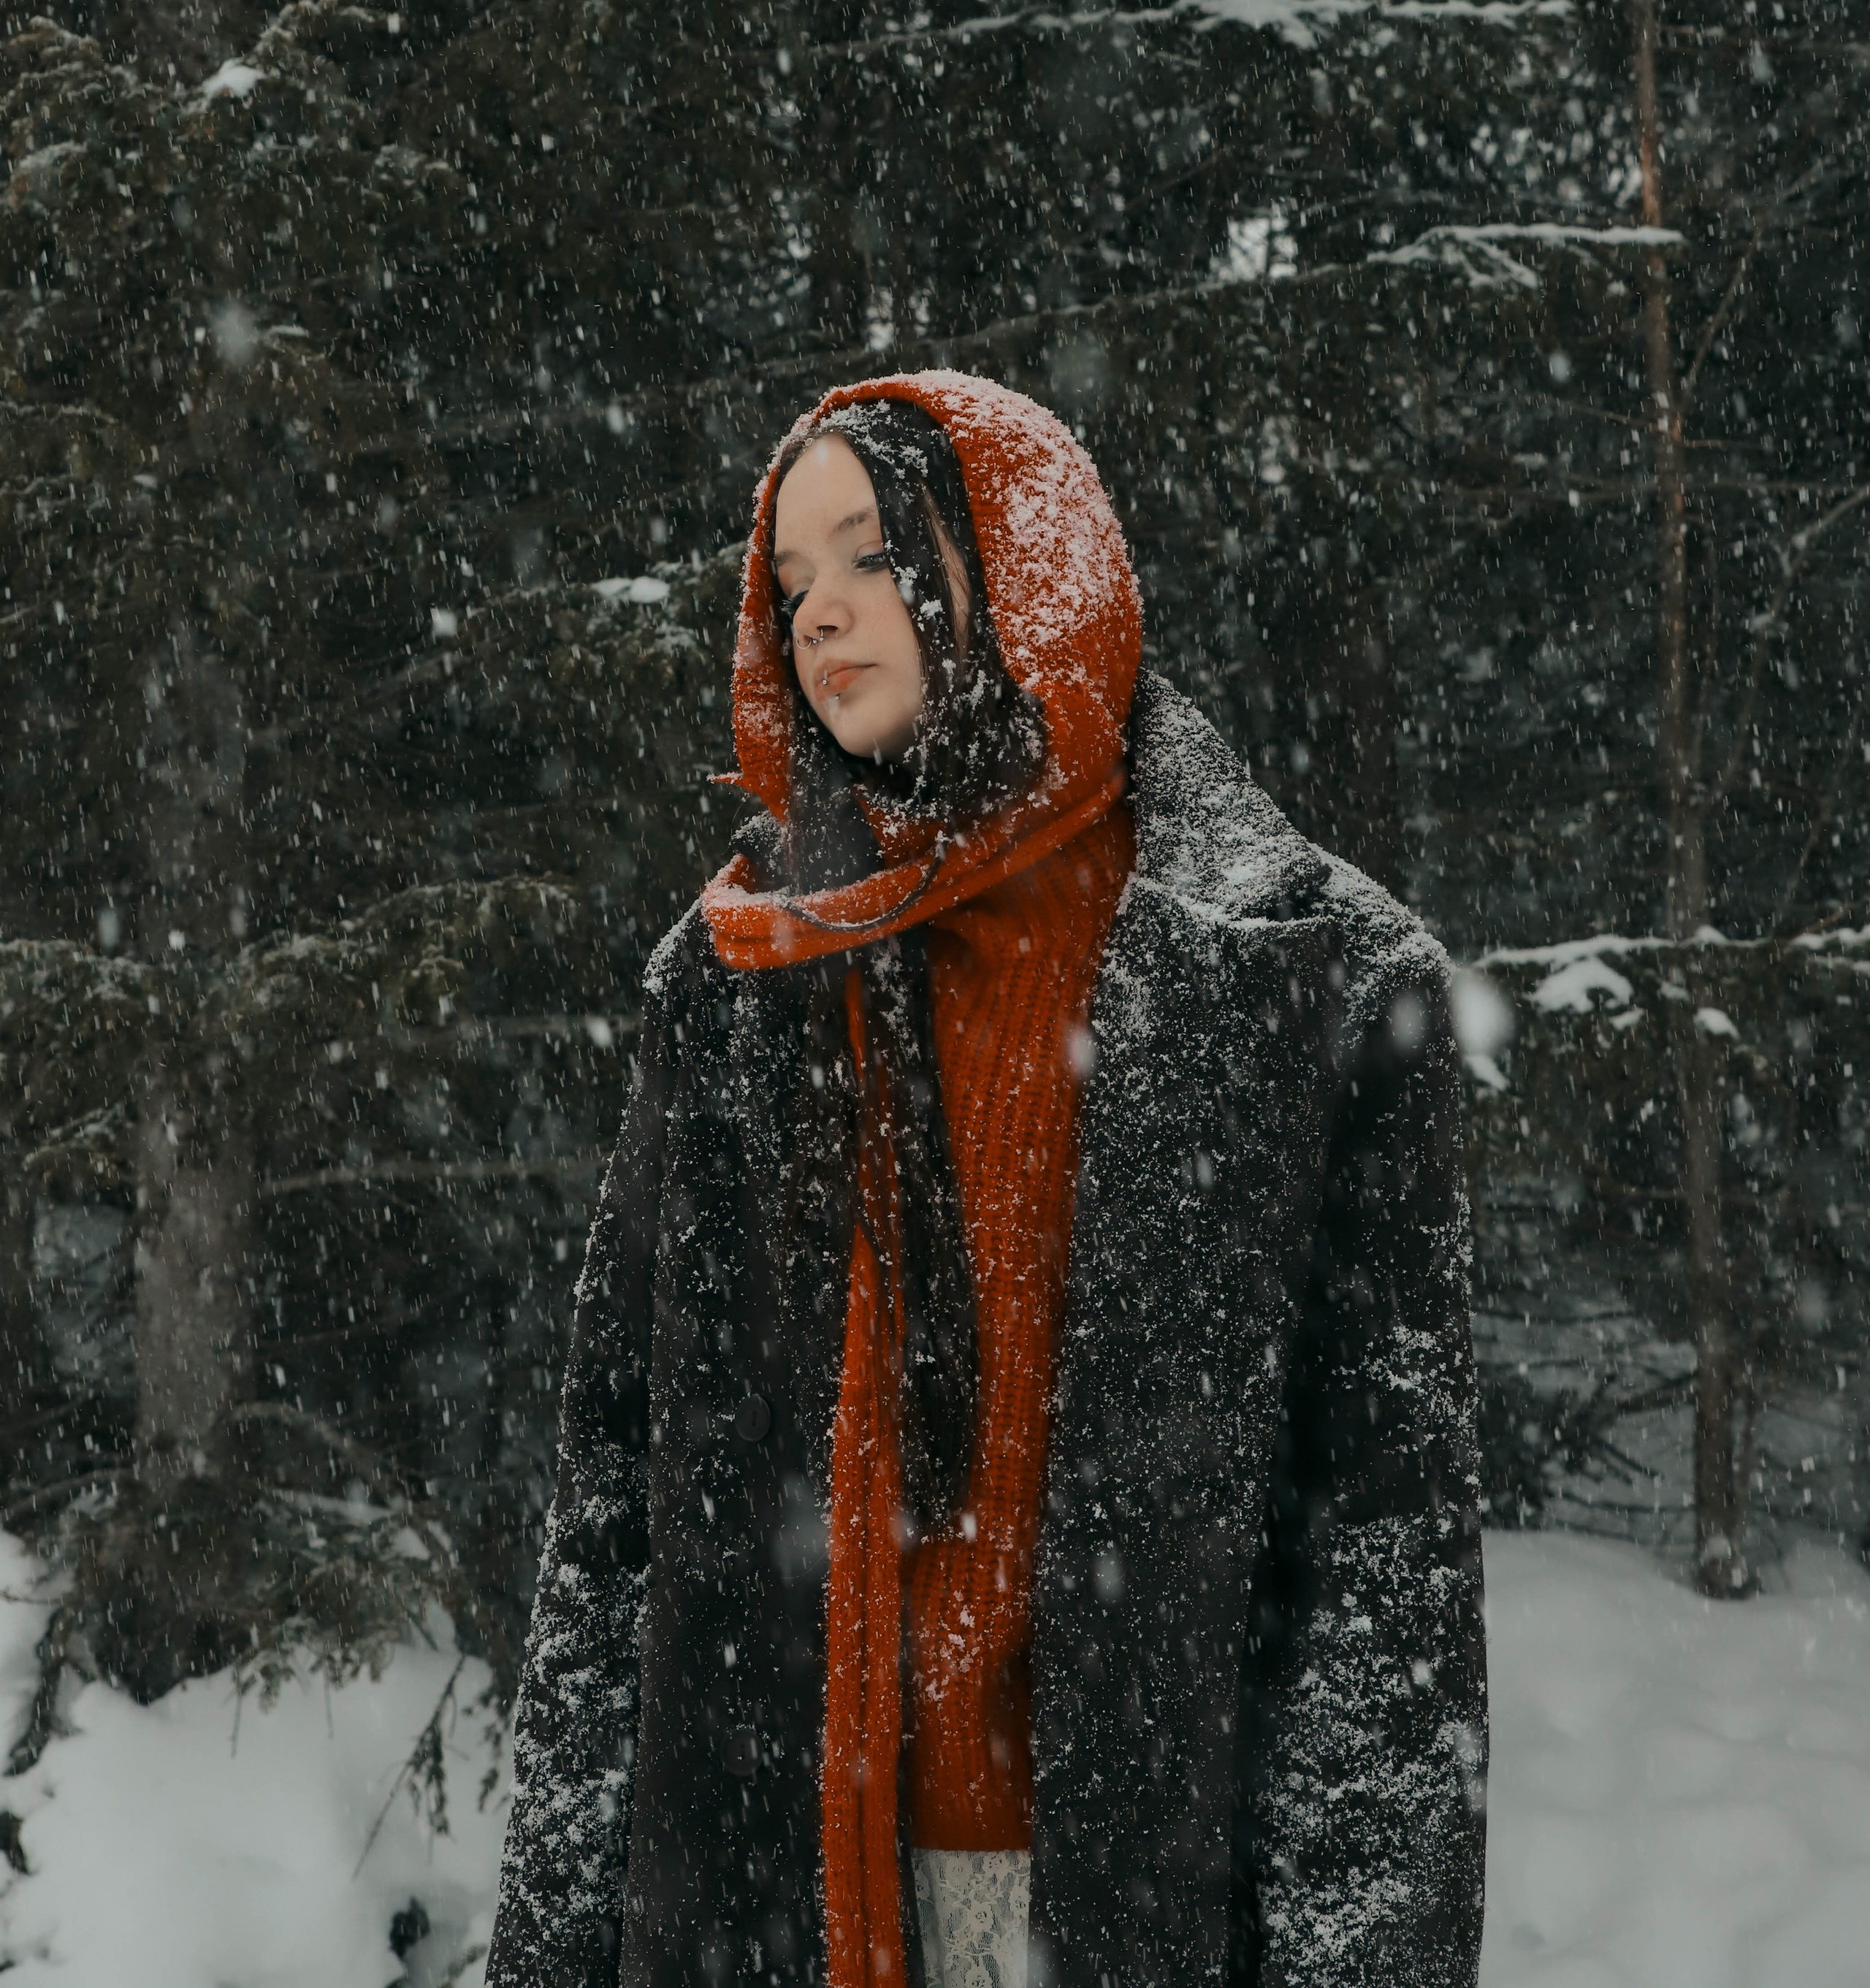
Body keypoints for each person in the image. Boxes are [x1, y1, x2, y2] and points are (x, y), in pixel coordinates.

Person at [484, 371, 1486, 1988]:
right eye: (788, 584)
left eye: (871, 552)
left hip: (1154, 1916)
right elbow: (611, 1527)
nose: (818, 614)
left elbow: (1384, 1570)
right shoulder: (740, 978)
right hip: (781, 1906)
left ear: (1023, 562)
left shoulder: (1311, 981)